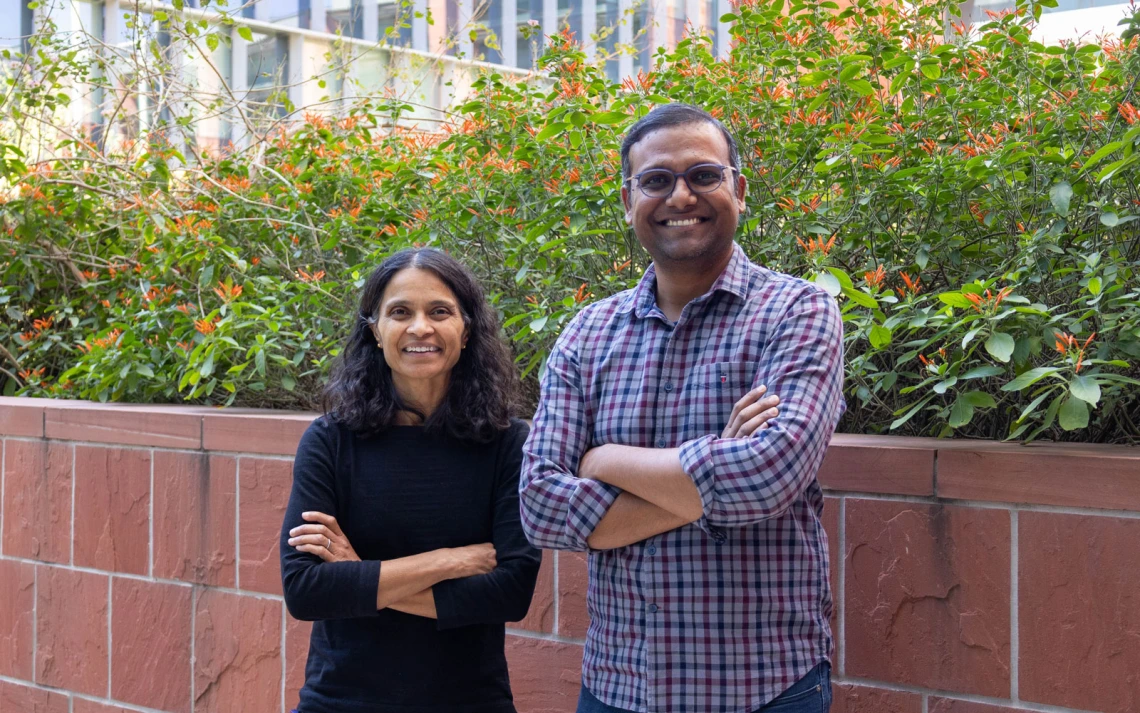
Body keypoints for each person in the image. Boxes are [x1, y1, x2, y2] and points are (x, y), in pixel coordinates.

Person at [519, 103, 844, 713]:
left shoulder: (798, 313)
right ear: (628, 200)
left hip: (765, 687)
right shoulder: (588, 333)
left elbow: (766, 477)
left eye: (703, 175)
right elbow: (539, 505)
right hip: (618, 686)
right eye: (656, 180)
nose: (680, 195)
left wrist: (603, 457)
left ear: (738, 190)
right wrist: (712, 465)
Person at [281, 248, 541, 713]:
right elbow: (307, 591)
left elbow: (509, 593)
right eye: (400, 312)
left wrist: (359, 573)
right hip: (341, 701)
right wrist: (448, 561)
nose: (420, 328)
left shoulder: (507, 443)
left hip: (470, 702)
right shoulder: (331, 441)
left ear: (466, 330)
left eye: (439, 311)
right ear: (375, 331)